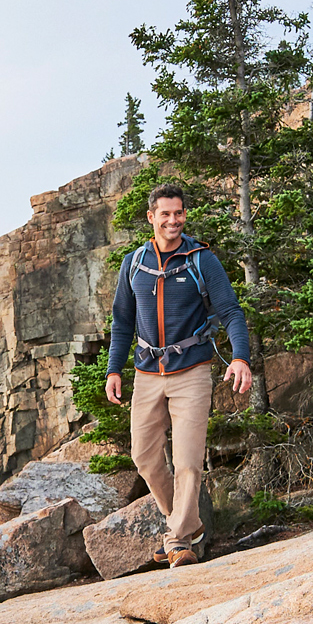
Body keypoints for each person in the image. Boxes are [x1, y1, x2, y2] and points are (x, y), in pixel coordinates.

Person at [105, 183, 254, 566]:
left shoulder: (201, 260)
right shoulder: (133, 264)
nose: (173, 220)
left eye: (179, 213)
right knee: (144, 456)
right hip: (146, 373)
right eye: (165, 214)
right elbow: (121, 323)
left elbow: (232, 312)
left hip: (192, 370)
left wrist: (240, 358)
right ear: (151, 217)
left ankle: (178, 539)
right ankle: (186, 522)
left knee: (188, 460)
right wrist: (113, 370)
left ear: (184, 215)